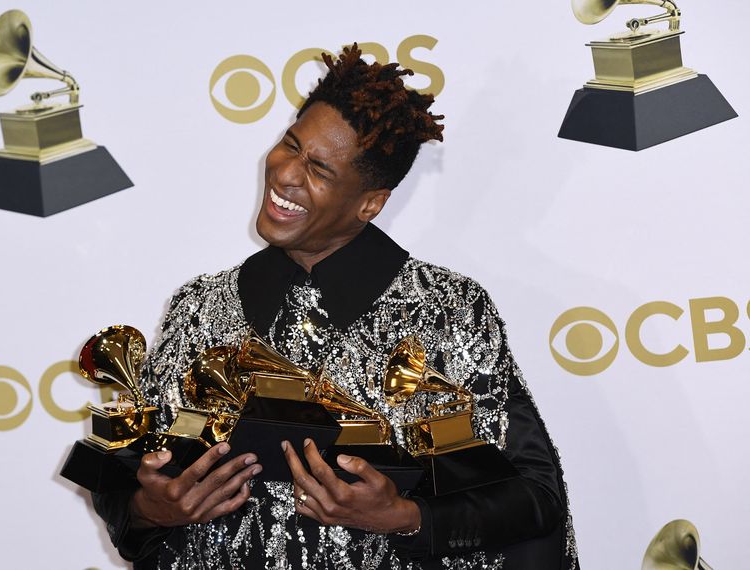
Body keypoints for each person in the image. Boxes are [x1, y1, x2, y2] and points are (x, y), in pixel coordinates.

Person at [92, 44, 579, 570]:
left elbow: (535, 495)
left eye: (320, 169)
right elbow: (126, 478)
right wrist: (151, 508)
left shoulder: (446, 310)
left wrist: (405, 517)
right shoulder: (199, 306)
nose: (286, 174)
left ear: (370, 203)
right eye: (290, 145)